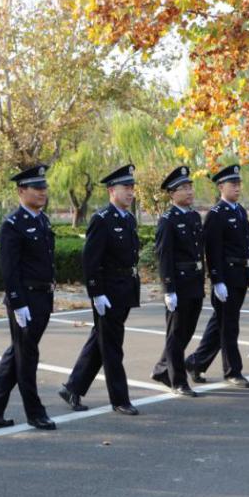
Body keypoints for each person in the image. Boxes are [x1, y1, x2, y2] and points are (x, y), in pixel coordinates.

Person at [0, 164, 57, 430]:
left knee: (19, 353)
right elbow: (9, 269)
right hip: (26, 299)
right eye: (37, 188)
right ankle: (35, 412)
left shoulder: (42, 220)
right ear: (21, 191)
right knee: (27, 356)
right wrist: (17, 302)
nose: (42, 192)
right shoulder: (13, 225)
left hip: (43, 296)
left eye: (44, 187)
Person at [59, 164, 142, 415]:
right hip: (109, 291)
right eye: (125, 188)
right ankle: (120, 399)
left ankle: (73, 387)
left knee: (102, 341)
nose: (130, 192)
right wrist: (96, 293)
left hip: (126, 289)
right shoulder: (102, 220)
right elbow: (90, 260)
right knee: (113, 346)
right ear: (111, 190)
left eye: (131, 187)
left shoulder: (128, 218)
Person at [186, 164, 249, 388]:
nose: (237, 188)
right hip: (227, 277)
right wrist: (217, 280)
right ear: (221, 186)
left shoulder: (240, 211)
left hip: (240, 276)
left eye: (239, 184)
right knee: (229, 326)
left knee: (221, 324)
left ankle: (196, 362)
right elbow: (212, 251)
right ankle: (232, 371)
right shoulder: (216, 214)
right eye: (233, 184)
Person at [150, 166, 204, 397]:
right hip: (179, 283)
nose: (189, 192)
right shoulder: (167, 220)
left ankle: (163, 369)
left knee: (187, 330)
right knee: (175, 333)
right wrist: (168, 288)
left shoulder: (193, 216)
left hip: (194, 281)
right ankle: (178, 380)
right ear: (172, 194)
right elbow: (164, 257)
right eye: (183, 188)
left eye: (190, 187)